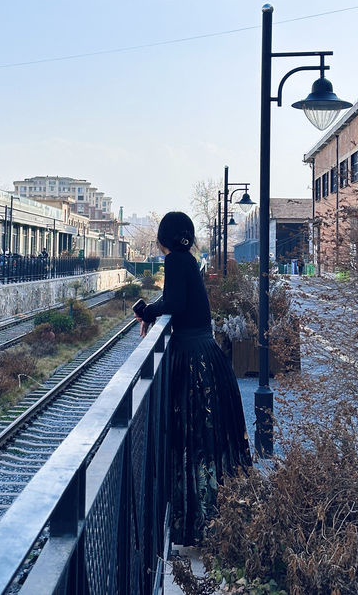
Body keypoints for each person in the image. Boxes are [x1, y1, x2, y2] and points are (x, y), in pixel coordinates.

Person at [133, 211, 251, 546]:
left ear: (164, 238)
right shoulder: (188, 261)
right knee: (208, 440)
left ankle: (196, 524)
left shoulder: (175, 262)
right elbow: (176, 301)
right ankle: (220, 518)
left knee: (192, 440)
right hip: (206, 353)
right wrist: (152, 309)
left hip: (193, 360)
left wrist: (146, 311)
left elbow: (174, 303)